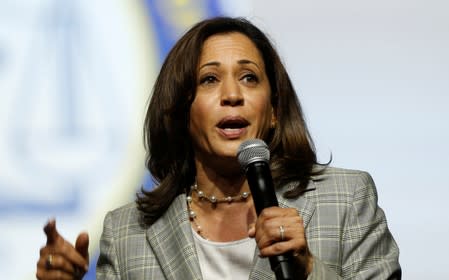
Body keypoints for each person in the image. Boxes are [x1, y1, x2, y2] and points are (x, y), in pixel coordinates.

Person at [36, 17, 401, 279]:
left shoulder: (346, 200)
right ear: (180, 112)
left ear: (273, 111)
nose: (232, 95)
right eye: (209, 79)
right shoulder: (128, 232)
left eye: (249, 78)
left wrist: (308, 269)